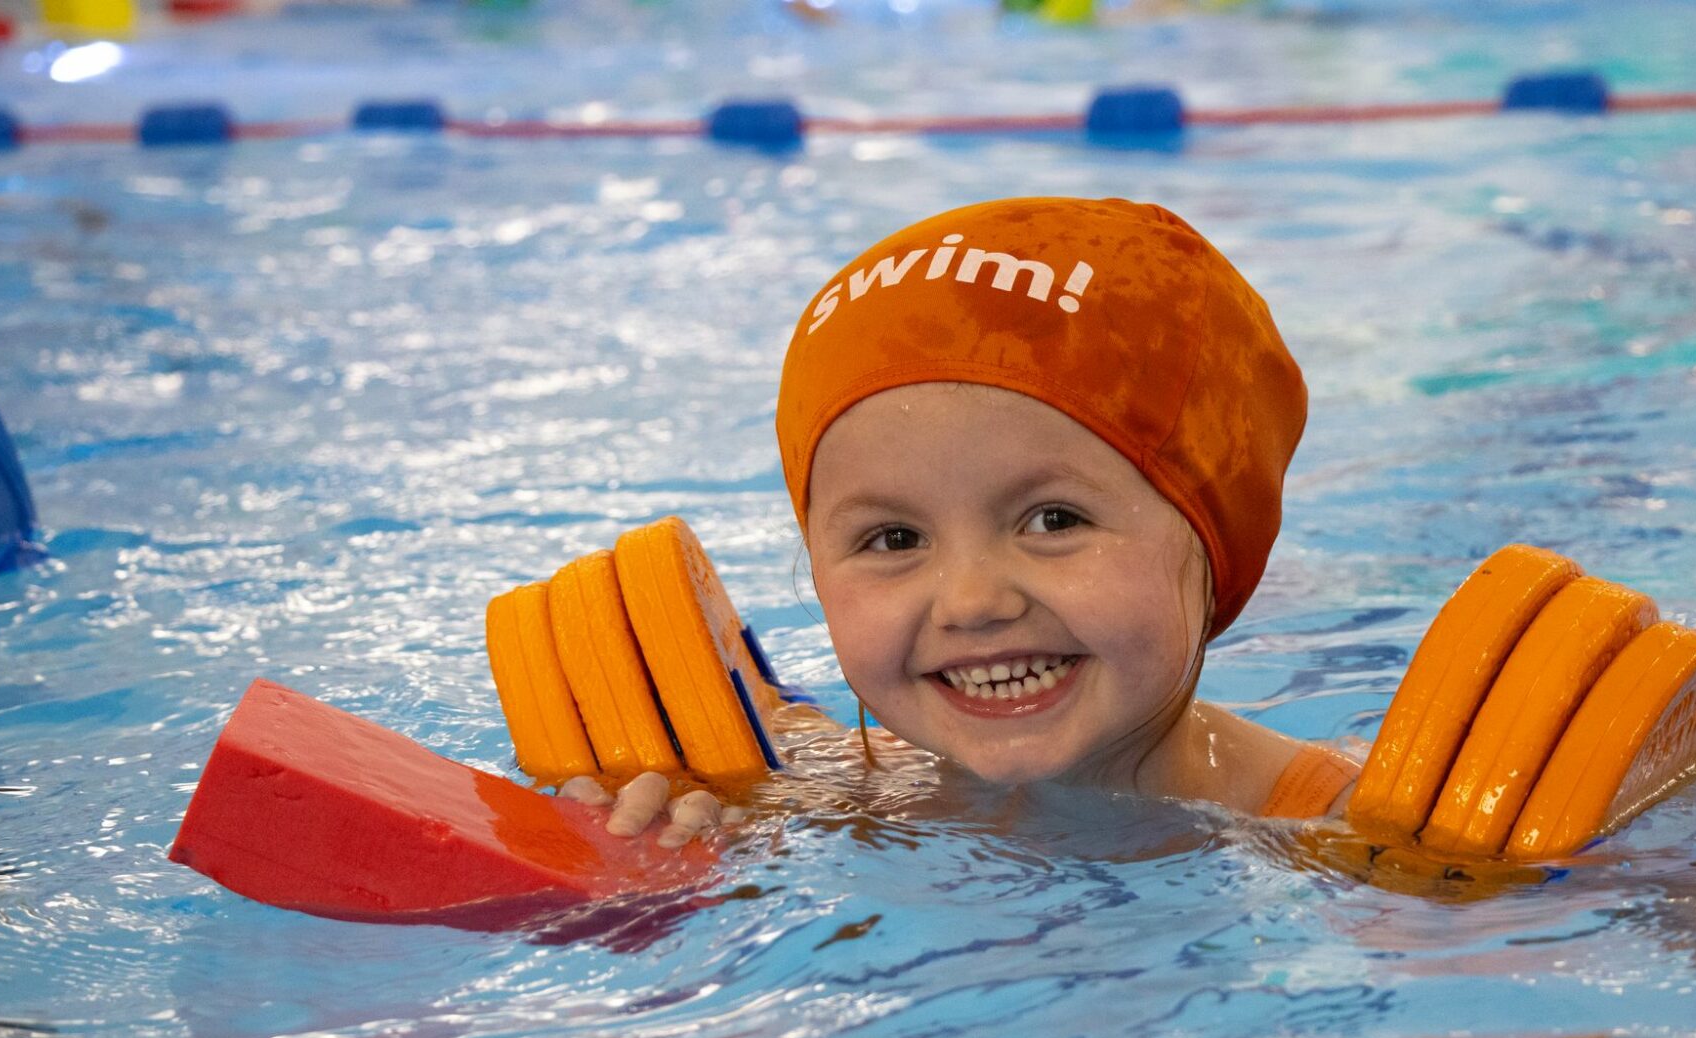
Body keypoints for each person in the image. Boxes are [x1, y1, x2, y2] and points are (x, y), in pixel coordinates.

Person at [562, 196, 1359, 846]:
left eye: (1053, 519)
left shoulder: (1336, 832)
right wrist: (692, 840)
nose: (973, 600)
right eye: (895, 539)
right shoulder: (823, 789)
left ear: (1215, 540)